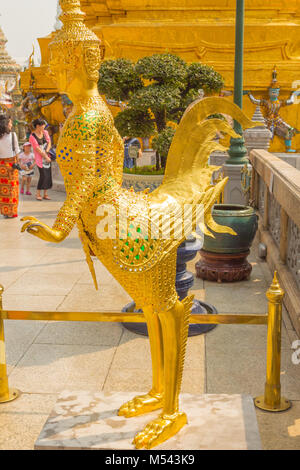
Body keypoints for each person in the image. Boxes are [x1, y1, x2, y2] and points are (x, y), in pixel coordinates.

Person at [0, 115, 20, 218]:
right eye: (10, 123)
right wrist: (19, 164)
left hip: (1, 166)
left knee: (3, 190)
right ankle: (11, 211)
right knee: (13, 188)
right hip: (12, 164)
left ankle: (4, 211)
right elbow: (16, 150)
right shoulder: (13, 135)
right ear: (6, 124)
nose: (11, 125)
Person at [29, 118, 52, 200]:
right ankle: (38, 193)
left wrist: (47, 151)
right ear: (37, 126)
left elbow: (49, 142)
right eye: (42, 126)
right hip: (40, 159)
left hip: (47, 156)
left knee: (48, 175)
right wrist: (45, 156)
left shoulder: (45, 132)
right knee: (43, 175)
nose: (44, 128)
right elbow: (37, 148)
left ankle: (45, 194)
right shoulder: (32, 136)